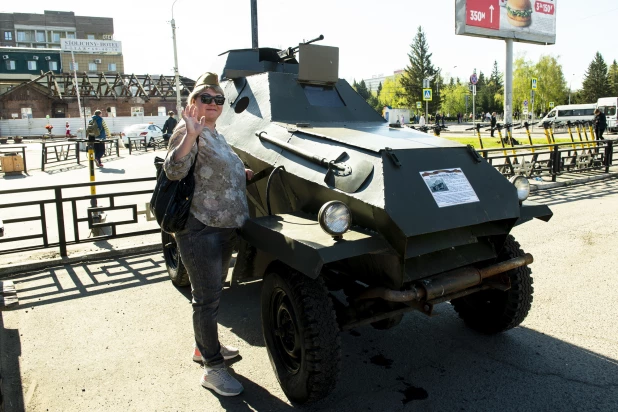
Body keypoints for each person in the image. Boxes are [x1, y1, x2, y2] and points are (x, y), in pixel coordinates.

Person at [163, 72, 252, 397]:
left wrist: (238, 172)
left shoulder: (215, 133)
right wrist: (189, 135)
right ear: (193, 103)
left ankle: (204, 348)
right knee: (206, 301)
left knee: (213, 297)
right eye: (206, 98)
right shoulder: (189, 131)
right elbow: (174, 170)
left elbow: (211, 170)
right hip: (201, 230)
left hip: (222, 227)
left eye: (218, 99)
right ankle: (213, 370)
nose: (213, 103)